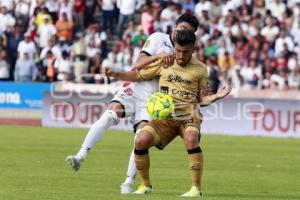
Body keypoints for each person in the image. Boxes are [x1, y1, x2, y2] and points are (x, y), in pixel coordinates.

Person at [66, 13, 200, 194]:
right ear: (175, 27)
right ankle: (81, 155)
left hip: (154, 100)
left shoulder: (185, 55)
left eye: (188, 32)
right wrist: (160, 56)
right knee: (110, 114)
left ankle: (128, 182)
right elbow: (139, 63)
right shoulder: (158, 38)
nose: (183, 34)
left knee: (141, 138)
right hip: (136, 86)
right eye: (182, 29)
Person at [105, 29, 232, 197]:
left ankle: (196, 189)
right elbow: (138, 75)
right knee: (141, 140)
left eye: (185, 52)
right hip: (166, 117)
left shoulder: (201, 69)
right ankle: (145, 185)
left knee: (191, 138)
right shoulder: (165, 62)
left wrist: (217, 96)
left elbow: (202, 99)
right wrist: (117, 74)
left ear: (193, 49)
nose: (180, 55)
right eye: (178, 50)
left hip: (189, 116)